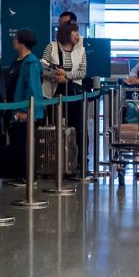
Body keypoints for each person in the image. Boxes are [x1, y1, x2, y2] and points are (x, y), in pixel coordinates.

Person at [43, 17, 87, 180]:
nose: (77, 35)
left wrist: (66, 75)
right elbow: (43, 67)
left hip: (74, 93)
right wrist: (56, 75)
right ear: (66, 33)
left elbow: (82, 72)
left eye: (77, 31)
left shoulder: (81, 50)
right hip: (54, 92)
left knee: (78, 128)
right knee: (54, 127)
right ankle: (53, 163)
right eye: (74, 31)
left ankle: (79, 163)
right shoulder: (51, 47)